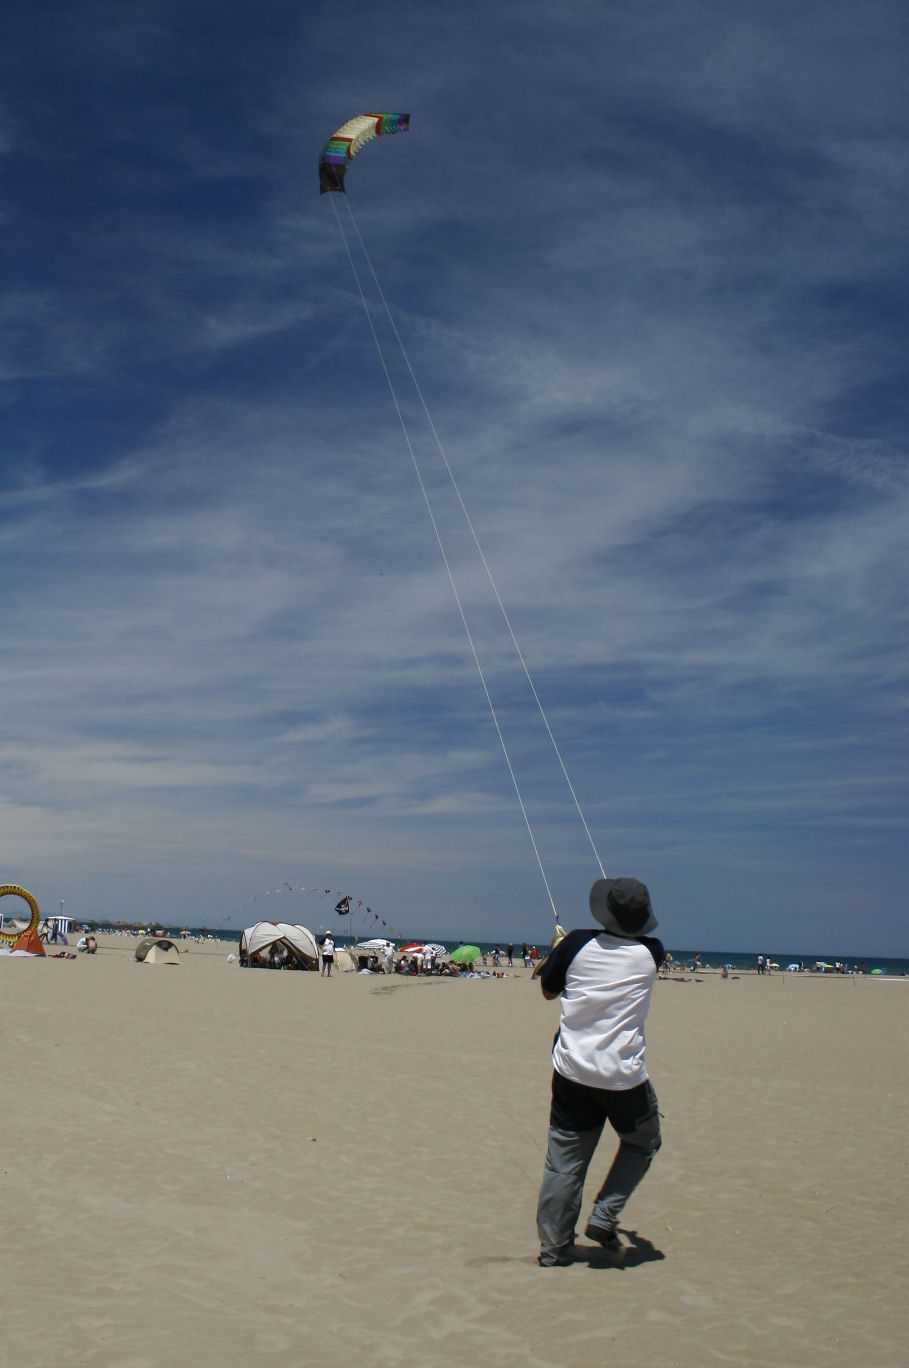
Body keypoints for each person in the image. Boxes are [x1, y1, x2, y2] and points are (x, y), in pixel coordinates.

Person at [535, 876, 664, 1267]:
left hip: (574, 1071)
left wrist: (558, 952)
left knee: (565, 1163)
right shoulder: (652, 952)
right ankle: (605, 1215)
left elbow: (548, 990)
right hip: (622, 1075)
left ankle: (554, 1249)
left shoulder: (576, 943)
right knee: (643, 1142)